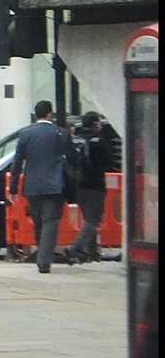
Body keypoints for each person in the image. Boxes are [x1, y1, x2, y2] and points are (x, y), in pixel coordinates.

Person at [9, 100, 76, 273]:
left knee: (38, 221)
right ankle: (44, 260)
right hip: (54, 184)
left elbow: (17, 162)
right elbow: (73, 159)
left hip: (32, 185)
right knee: (51, 222)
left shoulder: (25, 134)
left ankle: (42, 254)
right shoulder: (61, 133)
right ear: (49, 114)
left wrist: (13, 188)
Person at [64, 111, 117, 263]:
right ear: (94, 124)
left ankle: (92, 253)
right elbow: (109, 161)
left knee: (88, 219)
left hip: (79, 185)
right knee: (93, 220)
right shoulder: (98, 141)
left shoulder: (75, 140)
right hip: (95, 185)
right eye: (99, 122)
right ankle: (75, 247)